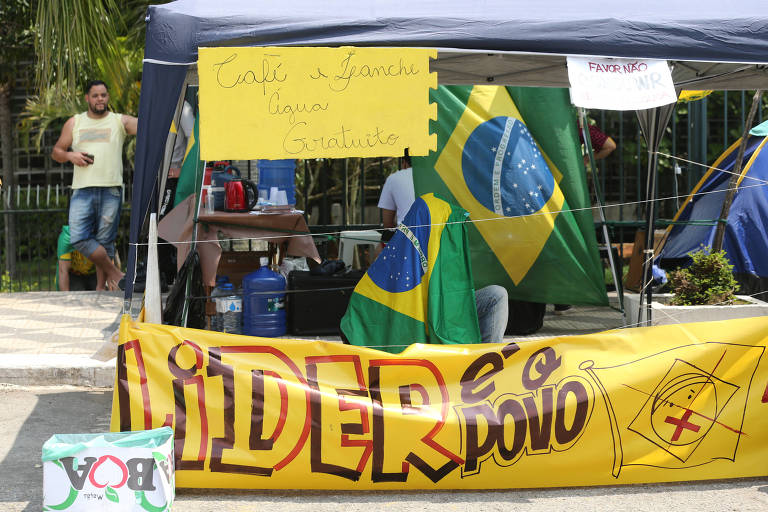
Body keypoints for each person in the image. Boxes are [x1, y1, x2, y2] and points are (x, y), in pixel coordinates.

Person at [377, 155, 508, 342]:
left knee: (497, 294)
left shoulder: (450, 237)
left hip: (448, 310)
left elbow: (387, 225)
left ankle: (485, 359)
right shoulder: (405, 252)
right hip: (419, 316)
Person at [52, 80, 137, 291]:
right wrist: (71, 155)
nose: (101, 99)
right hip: (82, 190)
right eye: (96, 95)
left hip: (111, 189)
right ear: (87, 98)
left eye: (104, 95)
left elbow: (150, 125)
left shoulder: (119, 121)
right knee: (79, 236)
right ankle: (116, 273)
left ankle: (101, 289)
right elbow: (56, 152)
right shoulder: (75, 122)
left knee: (105, 241)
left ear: (108, 97)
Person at [56, 225, 97, 291]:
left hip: (96, 272)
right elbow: (63, 271)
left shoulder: (100, 234)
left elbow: (108, 264)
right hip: (74, 274)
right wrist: (65, 298)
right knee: (76, 296)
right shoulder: (66, 236)